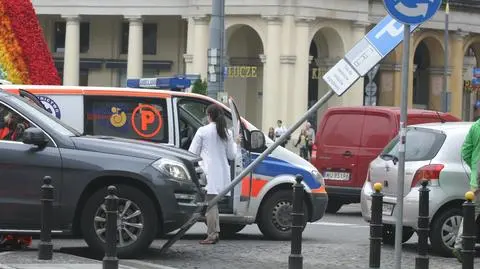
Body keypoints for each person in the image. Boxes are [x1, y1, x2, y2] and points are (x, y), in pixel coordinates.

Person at [188, 104, 239, 244]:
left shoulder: (202, 131)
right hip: (222, 172)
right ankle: (215, 232)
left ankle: (211, 234)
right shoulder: (226, 132)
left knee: (210, 204)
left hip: (207, 171)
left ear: (209, 115)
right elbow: (232, 155)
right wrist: (236, 143)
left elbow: (192, 153)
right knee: (213, 203)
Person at [453, 117, 480, 263]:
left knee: (471, 212)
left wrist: (475, 168)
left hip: (477, 179)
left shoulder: (476, 126)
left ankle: (459, 245)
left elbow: (465, 152)